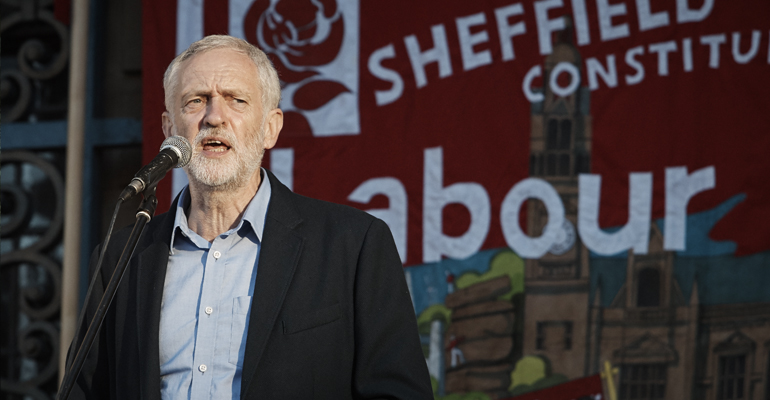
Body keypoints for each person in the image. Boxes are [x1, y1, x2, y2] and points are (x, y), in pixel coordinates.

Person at [67, 35, 432, 399]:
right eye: (196, 101)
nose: (213, 117)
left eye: (235, 100)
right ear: (168, 128)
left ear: (271, 128)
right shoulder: (120, 258)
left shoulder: (353, 246)